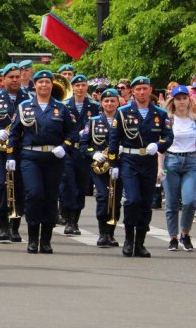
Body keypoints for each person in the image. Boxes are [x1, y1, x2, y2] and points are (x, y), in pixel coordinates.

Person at [6, 69, 75, 254]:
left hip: (54, 157)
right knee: (34, 194)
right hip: (30, 157)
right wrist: (11, 156)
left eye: (47, 82)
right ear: (34, 85)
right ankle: (32, 238)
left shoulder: (61, 107)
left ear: (52, 85)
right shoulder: (24, 106)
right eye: (40, 82)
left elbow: (72, 132)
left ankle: (46, 240)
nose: (44, 85)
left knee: (51, 198)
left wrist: (65, 146)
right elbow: (14, 133)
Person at [108, 76, 173, 257]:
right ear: (132, 91)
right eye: (138, 89)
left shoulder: (160, 113)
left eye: (145, 88)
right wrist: (113, 163)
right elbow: (114, 139)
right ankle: (129, 238)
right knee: (132, 200)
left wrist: (159, 146)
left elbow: (169, 137)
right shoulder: (122, 112)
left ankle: (140, 242)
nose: (142, 92)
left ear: (150, 90)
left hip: (149, 161)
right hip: (129, 160)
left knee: (145, 203)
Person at [160, 85, 196, 251]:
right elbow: (162, 146)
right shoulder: (168, 120)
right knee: (172, 203)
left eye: (184, 98)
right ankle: (173, 237)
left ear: (189, 100)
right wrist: (160, 167)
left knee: (190, 201)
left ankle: (185, 234)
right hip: (171, 161)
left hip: (189, 161)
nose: (181, 102)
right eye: (178, 99)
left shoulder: (195, 121)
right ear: (173, 101)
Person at [0, 63, 28, 243]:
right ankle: (2, 223)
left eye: (17, 76)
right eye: (10, 77)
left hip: (20, 149)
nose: (14, 80)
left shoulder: (28, 98)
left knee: (19, 186)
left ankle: (15, 225)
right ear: (3, 79)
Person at [80, 88, 123, 247]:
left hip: (120, 165)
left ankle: (111, 233)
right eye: (106, 101)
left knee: (116, 200)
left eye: (113, 100)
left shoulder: (124, 119)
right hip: (100, 166)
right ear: (101, 103)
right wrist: (94, 154)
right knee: (103, 197)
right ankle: (102, 233)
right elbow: (83, 145)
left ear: (118, 102)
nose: (110, 104)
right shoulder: (93, 121)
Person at [60, 74, 101, 235]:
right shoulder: (64, 105)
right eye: (77, 85)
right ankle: (68, 219)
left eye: (83, 85)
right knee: (68, 185)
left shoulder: (93, 106)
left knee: (81, 186)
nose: (80, 88)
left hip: (84, 152)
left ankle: (75, 219)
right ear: (73, 87)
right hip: (68, 151)